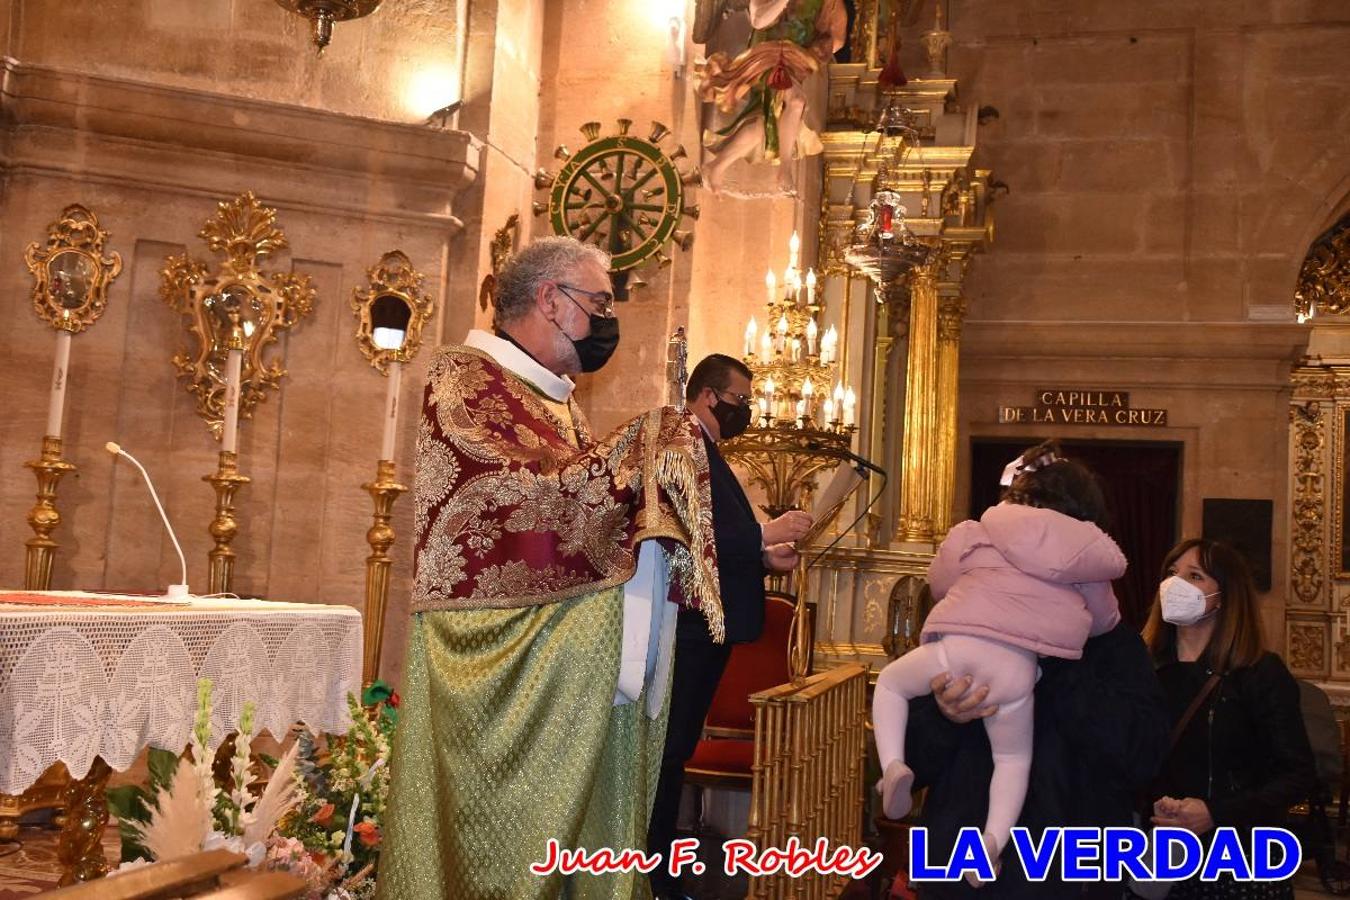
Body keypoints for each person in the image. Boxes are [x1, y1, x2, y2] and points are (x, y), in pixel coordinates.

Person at [379, 237, 724, 900]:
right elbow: (514, 506)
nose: (605, 323)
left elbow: (579, 503)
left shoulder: (554, 399)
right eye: (598, 304)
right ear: (549, 299)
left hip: (560, 657)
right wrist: (644, 443)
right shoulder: (467, 381)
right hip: (495, 660)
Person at [873, 441, 1127, 873]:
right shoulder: (1085, 559)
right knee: (1013, 760)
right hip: (1017, 671)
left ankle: (893, 765)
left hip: (956, 649)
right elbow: (1105, 619)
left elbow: (939, 581)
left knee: (892, 685)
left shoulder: (979, 530)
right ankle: (993, 840)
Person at [646, 354, 813, 900]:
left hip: (709, 624)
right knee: (669, 753)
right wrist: (768, 533)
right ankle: (653, 876)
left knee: (677, 749)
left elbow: (717, 542)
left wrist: (765, 559)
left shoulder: (709, 452)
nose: (745, 410)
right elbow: (693, 533)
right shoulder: (683, 445)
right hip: (691, 625)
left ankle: (659, 871)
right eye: (740, 399)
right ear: (710, 395)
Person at [1141, 539, 1316, 900]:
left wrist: (1215, 813)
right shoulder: (1141, 668)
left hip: (1238, 857)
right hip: (1157, 854)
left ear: (1223, 596)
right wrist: (1153, 801)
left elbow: (1298, 774)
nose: (1176, 585)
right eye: (1171, 573)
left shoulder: (1258, 673)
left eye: (1195, 576)